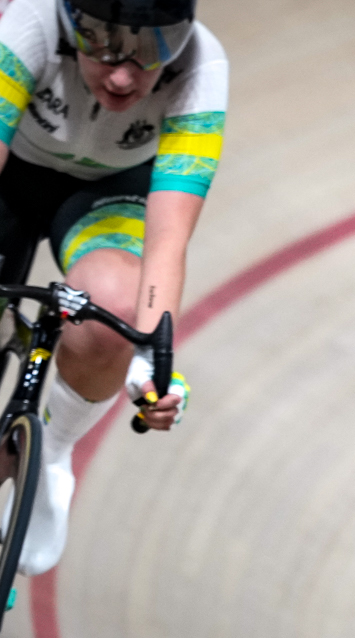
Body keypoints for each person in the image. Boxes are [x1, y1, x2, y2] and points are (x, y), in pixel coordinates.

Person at [0, 0, 217, 573]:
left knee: (112, 311)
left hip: (106, 193)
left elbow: (166, 241)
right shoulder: (29, 24)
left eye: (151, 48)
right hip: (11, 168)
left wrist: (152, 358)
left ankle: (52, 454)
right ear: (71, 20)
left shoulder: (203, 68)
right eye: (99, 41)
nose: (122, 73)